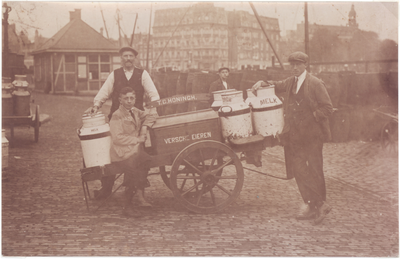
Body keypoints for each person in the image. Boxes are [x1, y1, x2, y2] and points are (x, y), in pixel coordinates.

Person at [251, 51, 333, 225]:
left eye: (298, 64)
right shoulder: (290, 82)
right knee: (298, 170)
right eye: (292, 65)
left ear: (305, 65)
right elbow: (276, 85)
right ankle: (313, 205)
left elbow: (328, 108)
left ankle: (319, 206)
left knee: (315, 171)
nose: (294, 68)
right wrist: (263, 83)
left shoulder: (315, 83)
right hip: (295, 135)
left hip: (312, 136)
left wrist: (313, 117)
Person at [85, 46, 160, 201]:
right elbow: (104, 92)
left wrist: (151, 110)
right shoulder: (115, 74)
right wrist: (96, 105)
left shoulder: (142, 74)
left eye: (131, 56)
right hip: (118, 118)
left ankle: (134, 190)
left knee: (137, 154)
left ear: (135, 58)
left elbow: (153, 94)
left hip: (136, 120)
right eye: (125, 56)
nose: (128, 59)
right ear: (121, 58)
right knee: (112, 152)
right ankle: (106, 189)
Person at [109, 87, 157, 217]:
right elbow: (117, 138)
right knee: (133, 170)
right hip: (121, 152)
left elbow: (153, 115)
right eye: (126, 98)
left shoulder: (135, 111)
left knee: (146, 160)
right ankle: (127, 206)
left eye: (132, 98)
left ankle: (138, 189)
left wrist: (145, 127)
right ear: (120, 100)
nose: (129, 101)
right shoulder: (116, 115)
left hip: (133, 150)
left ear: (135, 99)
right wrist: (137, 139)